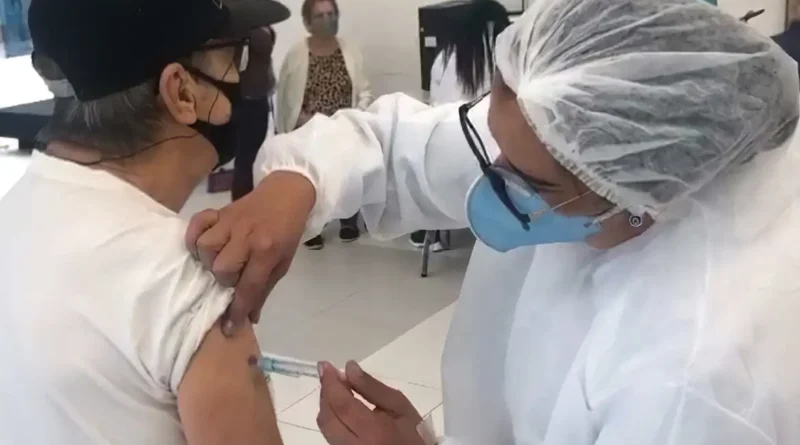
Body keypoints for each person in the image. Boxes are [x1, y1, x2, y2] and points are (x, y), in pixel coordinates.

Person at [187, 0, 800, 444]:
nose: (490, 176)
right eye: (492, 141)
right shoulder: (575, 121)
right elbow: (402, 146)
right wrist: (299, 181)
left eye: (534, 183)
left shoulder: (692, 384)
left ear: (646, 197)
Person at [0, 0, 292, 444]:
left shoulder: (12, 215)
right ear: (182, 92)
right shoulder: (185, 284)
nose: (241, 78)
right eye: (234, 58)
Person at [409, 0, 510, 250]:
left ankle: (436, 234)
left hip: (444, 158)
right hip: (488, 161)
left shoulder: (444, 58)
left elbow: (434, 104)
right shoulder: (503, 59)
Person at [275, 0, 372, 249]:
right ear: (308, 22)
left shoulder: (349, 50)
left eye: (331, 14)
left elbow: (363, 89)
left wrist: (354, 116)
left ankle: (348, 220)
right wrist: (302, 120)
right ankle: (313, 226)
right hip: (308, 128)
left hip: (343, 126)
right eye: (320, 16)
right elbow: (286, 98)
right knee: (313, 180)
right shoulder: (296, 54)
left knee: (347, 175)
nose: (328, 20)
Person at [232, 26, 277, 201]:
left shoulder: (262, 27)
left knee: (250, 156)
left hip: (258, 97)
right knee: (246, 158)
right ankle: (242, 203)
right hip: (247, 100)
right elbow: (239, 64)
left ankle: (246, 200)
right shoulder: (248, 29)